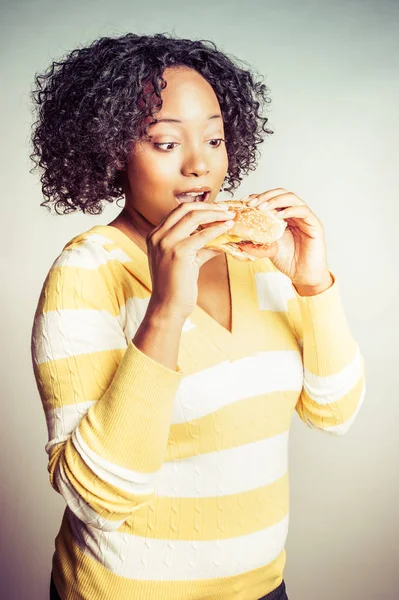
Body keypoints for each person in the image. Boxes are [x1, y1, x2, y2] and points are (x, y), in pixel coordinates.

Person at [30, 33, 366, 600]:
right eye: (165, 143)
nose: (198, 165)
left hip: (264, 589)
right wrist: (166, 309)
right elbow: (94, 499)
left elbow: (335, 413)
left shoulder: (257, 258)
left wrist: (313, 283)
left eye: (214, 138)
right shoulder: (88, 271)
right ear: (112, 151)